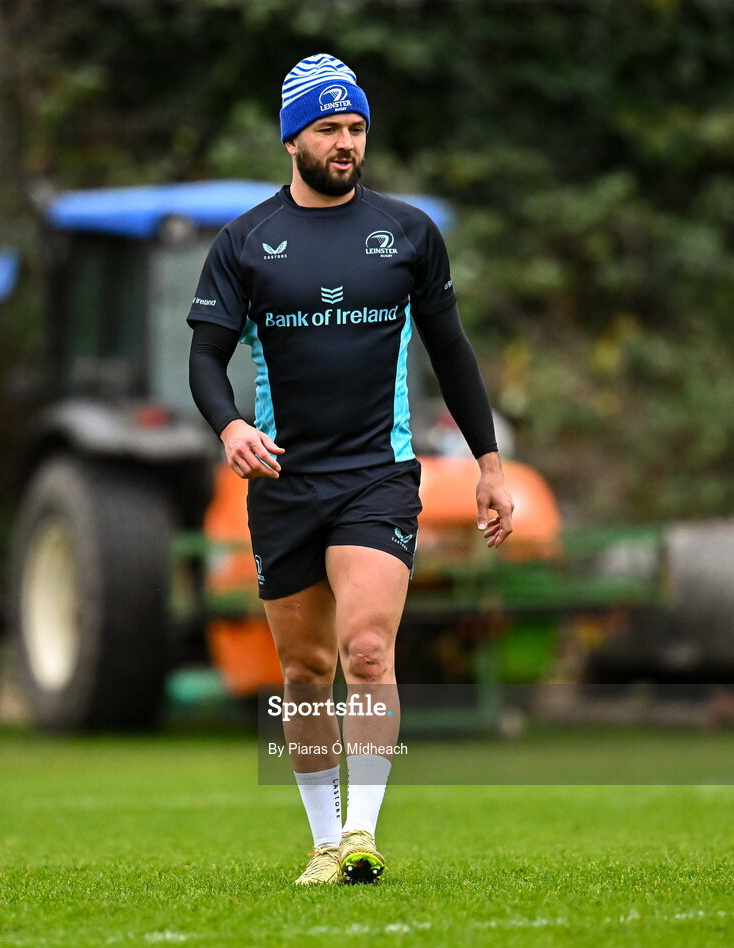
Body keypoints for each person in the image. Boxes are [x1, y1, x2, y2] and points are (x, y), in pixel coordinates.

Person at [187, 53, 513, 885]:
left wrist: (487, 462)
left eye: (357, 127)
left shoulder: (407, 234)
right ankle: (323, 838)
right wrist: (228, 426)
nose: (346, 142)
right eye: (330, 128)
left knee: (367, 650)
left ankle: (363, 833)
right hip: (283, 481)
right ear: (292, 138)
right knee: (303, 669)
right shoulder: (244, 243)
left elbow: (451, 351)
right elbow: (205, 360)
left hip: (378, 474)